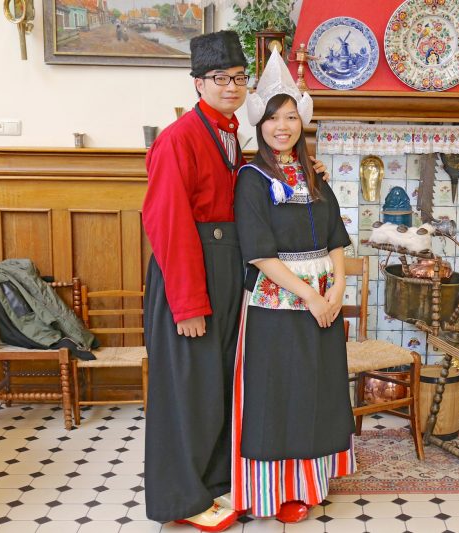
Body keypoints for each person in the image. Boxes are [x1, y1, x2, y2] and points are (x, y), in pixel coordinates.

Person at [141, 31, 330, 532]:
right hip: (190, 277)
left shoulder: (228, 134)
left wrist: (301, 172)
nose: (231, 86)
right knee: (187, 390)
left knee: (215, 386)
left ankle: (215, 481)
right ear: (198, 82)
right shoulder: (178, 138)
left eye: (239, 78)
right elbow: (167, 224)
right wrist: (187, 304)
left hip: (226, 274)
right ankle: (183, 499)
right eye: (220, 78)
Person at [229, 49, 356, 524]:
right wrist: (311, 297)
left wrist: (337, 290)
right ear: (258, 124)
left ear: (302, 120)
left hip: (324, 302)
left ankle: (310, 484)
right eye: (272, 118)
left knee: (317, 390)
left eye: (289, 117)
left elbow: (336, 236)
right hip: (278, 306)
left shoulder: (314, 174)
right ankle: (273, 492)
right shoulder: (251, 179)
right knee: (278, 394)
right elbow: (259, 252)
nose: (281, 126)